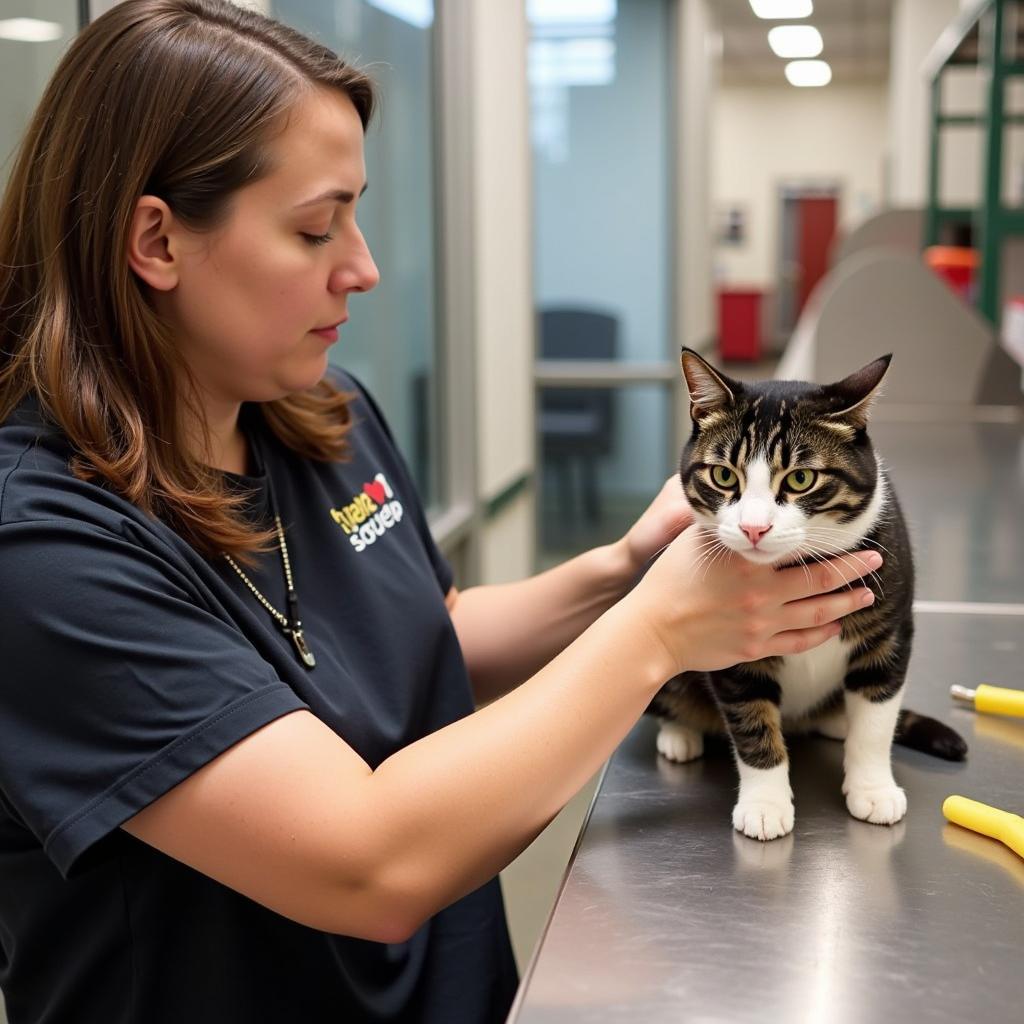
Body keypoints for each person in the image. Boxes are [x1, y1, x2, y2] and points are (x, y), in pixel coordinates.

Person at [0, 2, 881, 1022]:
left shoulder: (317, 417)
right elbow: (367, 864)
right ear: (156, 239)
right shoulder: (43, 547)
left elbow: (424, 641)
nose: (363, 267)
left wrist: (628, 565)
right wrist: (656, 631)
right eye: (315, 227)